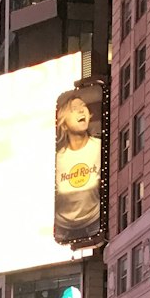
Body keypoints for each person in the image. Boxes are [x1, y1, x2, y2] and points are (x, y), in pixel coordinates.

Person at [54, 91, 102, 245]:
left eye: (84, 106)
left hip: (94, 223)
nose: (82, 110)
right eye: (74, 108)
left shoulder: (100, 147)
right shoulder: (57, 159)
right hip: (63, 229)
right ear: (63, 123)